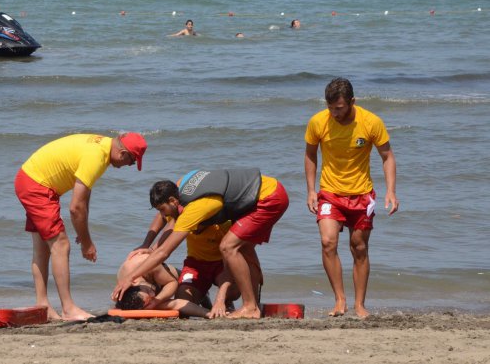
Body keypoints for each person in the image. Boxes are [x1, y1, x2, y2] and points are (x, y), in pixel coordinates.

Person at [113, 168, 289, 319]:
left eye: (163, 209)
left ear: (174, 202)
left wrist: (130, 277)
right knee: (243, 248)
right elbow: (163, 218)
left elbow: (164, 253)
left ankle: (250, 307)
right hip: (263, 193)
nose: (163, 214)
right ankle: (251, 304)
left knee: (229, 247)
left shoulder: (195, 211)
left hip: (268, 196)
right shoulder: (179, 189)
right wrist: (147, 245)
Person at [15, 132, 147, 321]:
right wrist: (87, 243)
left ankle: (42, 305)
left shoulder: (101, 146)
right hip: (38, 186)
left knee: (42, 246)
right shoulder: (97, 157)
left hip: (29, 178)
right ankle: (68, 309)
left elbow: (84, 193)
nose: (129, 166)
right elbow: (76, 208)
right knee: (61, 245)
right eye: (132, 161)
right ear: (123, 153)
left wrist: (82, 230)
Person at [304, 78, 399, 318]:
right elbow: (310, 155)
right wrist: (311, 190)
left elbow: (387, 156)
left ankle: (360, 305)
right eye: (330, 107)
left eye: (339, 108)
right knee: (328, 243)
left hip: (361, 196)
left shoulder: (370, 122)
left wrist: (391, 190)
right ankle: (340, 301)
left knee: (359, 248)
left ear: (352, 102)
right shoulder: (318, 122)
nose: (334, 113)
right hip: (330, 193)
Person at [131, 210, 240, 318]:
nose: (193, 229)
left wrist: (220, 299)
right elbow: (163, 215)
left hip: (221, 264)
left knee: (233, 291)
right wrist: (148, 246)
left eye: (198, 224)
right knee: (183, 303)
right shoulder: (187, 217)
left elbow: (234, 261)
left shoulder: (223, 224)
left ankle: (227, 302)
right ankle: (203, 297)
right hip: (195, 265)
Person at [115, 252, 210, 318]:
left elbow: (172, 282)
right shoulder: (130, 295)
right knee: (183, 313)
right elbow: (176, 304)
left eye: (148, 292)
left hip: (173, 278)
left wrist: (157, 300)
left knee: (199, 294)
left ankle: (205, 296)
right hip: (150, 288)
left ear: (134, 282)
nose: (153, 295)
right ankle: (208, 310)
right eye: (149, 299)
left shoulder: (143, 262)